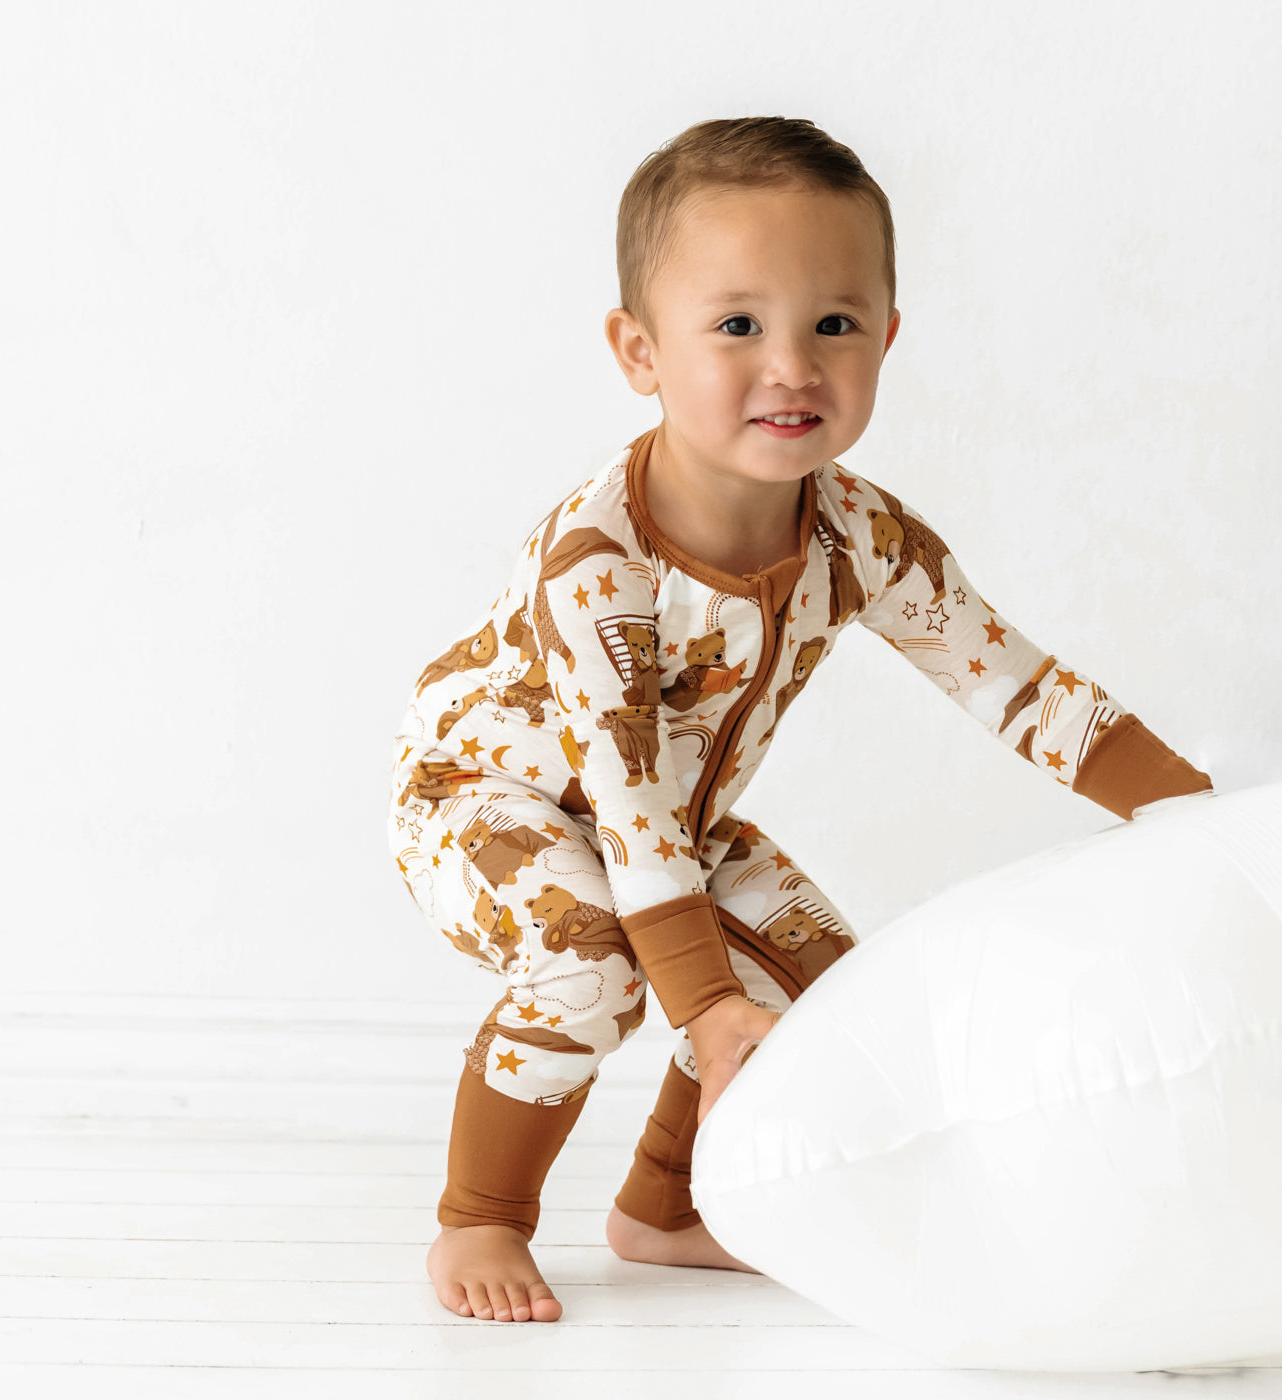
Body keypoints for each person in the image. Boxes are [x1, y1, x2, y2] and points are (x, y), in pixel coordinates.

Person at [386, 116, 1213, 1324]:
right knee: (590, 962)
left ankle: (665, 1204)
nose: (790, 364)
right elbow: (619, 801)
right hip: (482, 804)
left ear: (885, 335)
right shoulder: (597, 562)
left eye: (831, 323)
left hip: (676, 823)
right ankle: (479, 1216)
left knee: (825, 985)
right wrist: (703, 999)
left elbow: (1016, 685)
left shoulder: (859, 533)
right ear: (639, 350)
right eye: (735, 325)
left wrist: (1194, 814)